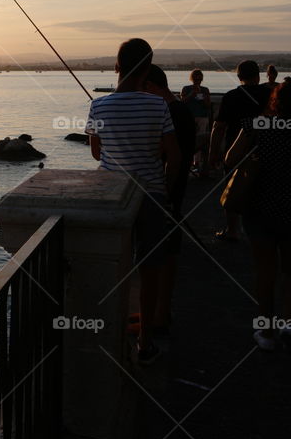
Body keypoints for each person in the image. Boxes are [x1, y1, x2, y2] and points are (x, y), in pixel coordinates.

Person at [86, 39, 181, 364]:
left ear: (117, 66)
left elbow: (97, 153)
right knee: (150, 268)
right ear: (147, 68)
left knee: (119, 265)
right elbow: (175, 157)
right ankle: (145, 341)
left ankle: (114, 332)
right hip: (152, 195)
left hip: (115, 196)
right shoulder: (159, 105)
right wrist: (164, 189)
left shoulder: (99, 107)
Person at [225, 77, 291, 354]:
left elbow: (230, 159)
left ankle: (267, 330)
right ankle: (290, 324)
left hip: (260, 209)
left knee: (265, 271)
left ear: (276, 102)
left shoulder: (257, 126)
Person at [144, 65, 196, 333]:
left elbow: (169, 158)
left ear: (151, 86)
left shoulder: (171, 112)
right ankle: (157, 313)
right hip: (175, 192)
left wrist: (164, 190)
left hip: (166, 194)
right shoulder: (181, 109)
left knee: (163, 256)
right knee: (166, 253)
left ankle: (159, 316)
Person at [209, 61, 271, 242]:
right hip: (263, 148)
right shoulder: (270, 95)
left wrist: (213, 152)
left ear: (239, 77)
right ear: (258, 76)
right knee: (262, 187)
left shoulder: (231, 97)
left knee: (232, 188)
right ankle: (262, 227)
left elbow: (219, 126)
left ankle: (233, 229)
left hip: (234, 150)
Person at [180, 70, 211, 177]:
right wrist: (192, 94)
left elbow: (208, 106)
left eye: (199, 79)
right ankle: (190, 162)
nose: (198, 80)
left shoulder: (205, 90)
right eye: (196, 78)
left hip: (202, 118)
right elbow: (182, 102)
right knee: (189, 139)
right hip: (189, 118)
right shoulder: (186, 88)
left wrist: (204, 99)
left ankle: (196, 162)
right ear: (192, 78)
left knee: (201, 140)